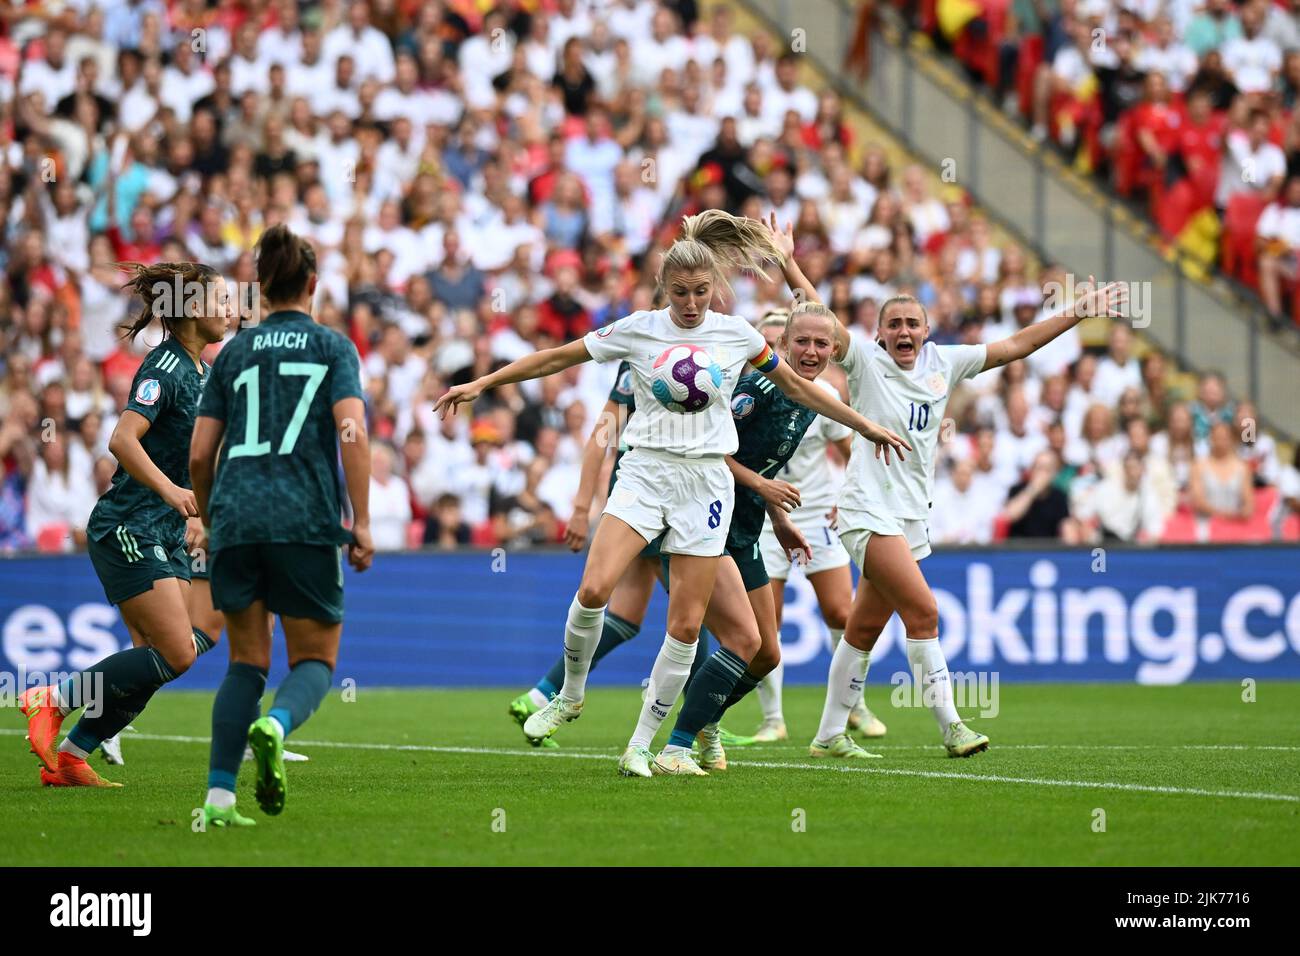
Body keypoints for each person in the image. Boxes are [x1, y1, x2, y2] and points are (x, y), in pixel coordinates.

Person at [435, 210, 908, 776]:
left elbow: (800, 386)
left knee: (686, 627)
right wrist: (484, 383)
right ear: (665, 288)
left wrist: (865, 425)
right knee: (593, 588)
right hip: (644, 472)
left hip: (706, 482)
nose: (691, 302)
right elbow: (560, 356)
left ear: (715, 288)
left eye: (701, 291)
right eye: (681, 292)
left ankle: (646, 745)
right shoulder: (639, 328)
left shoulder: (739, 335)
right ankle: (570, 695)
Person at [785, 239, 1125, 757]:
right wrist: (789, 264)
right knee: (923, 611)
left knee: (864, 628)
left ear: (925, 330)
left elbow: (1017, 347)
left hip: (911, 515)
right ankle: (953, 728)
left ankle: (828, 734)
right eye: (893, 325)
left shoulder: (946, 362)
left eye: (911, 325)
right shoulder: (864, 363)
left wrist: (1079, 310)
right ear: (878, 333)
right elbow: (819, 317)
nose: (903, 332)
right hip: (865, 510)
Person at [18, 262, 231, 787]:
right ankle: (53, 698)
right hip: (128, 525)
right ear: (191, 310)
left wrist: (201, 508)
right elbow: (122, 440)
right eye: (221, 300)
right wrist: (175, 493)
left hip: (165, 530)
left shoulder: (202, 372)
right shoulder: (165, 367)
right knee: (177, 651)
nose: (230, 309)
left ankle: (71, 757)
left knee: (180, 645)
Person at [190, 224, 374, 827]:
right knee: (315, 660)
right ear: (313, 284)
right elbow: (352, 431)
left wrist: (213, 518)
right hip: (305, 516)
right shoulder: (332, 347)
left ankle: (218, 800)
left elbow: (198, 454)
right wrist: (362, 519)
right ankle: (276, 724)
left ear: (260, 289)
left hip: (238, 517)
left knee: (245, 661)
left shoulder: (234, 352)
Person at [748, 311, 886, 745]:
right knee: (764, 627)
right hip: (765, 515)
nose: (804, 353)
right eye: (785, 343)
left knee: (842, 614)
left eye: (817, 345)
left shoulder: (822, 394)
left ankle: (855, 707)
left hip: (814, 512)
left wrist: (846, 499)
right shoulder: (748, 389)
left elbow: (850, 452)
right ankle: (773, 719)